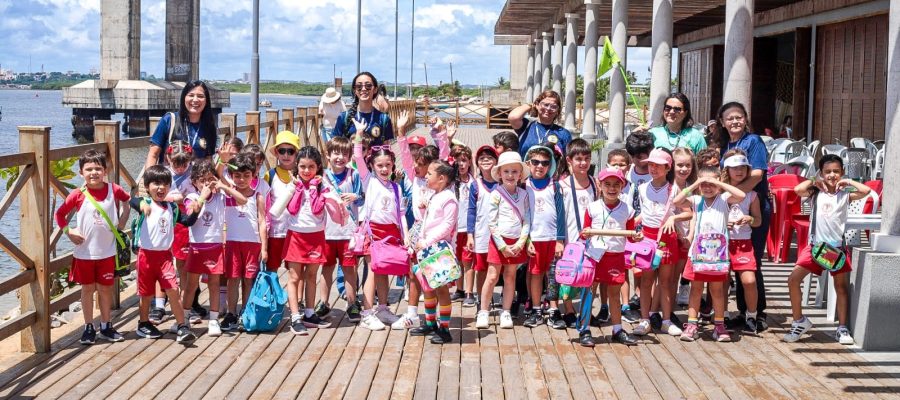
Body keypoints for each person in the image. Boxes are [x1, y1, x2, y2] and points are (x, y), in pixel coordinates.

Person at [784, 155, 871, 345]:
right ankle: (799, 321)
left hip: (836, 249)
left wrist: (847, 181)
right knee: (793, 280)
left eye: (836, 171)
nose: (832, 175)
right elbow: (798, 189)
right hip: (816, 247)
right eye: (828, 171)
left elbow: (866, 191)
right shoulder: (816, 191)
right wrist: (815, 180)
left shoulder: (845, 193)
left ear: (842, 172)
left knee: (840, 287)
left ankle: (842, 327)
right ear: (821, 173)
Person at [55, 150, 131, 345]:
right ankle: (89, 326)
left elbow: (127, 201)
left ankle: (106, 325)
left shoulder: (113, 189)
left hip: (107, 252)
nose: (94, 173)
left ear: (105, 171)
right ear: (81, 173)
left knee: (106, 290)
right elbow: (59, 215)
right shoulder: (78, 195)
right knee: (87, 289)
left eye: (98, 168)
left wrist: (123, 220)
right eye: (89, 169)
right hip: (84, 253)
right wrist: (69, 232)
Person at [672, 166, 746, 342]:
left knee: (717, 291)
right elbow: (677, 201)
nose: (708, 187)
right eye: (704, 184)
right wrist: (697, 182)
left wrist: (718, 182)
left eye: (711, 183)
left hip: (718, 256)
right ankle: (691, 324)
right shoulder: (697, 199)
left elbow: (741, 195)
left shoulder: (724, 198)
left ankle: (719, 325)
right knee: (696, 289)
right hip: (698, 254)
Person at [130, 165, 199, 343]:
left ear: (170, 187)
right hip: (145, 256)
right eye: (156, 184)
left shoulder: (172, 208)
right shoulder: (144, 203)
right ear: (147, 186)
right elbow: (133, 202)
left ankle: (182, 326)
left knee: (173, 290)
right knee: (145, 294)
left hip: (165, 257)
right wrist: (143, 203)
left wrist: (196, 212)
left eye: (165, 184)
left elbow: (187, 221)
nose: (160, 188)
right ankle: (143, 323)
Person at [717, 101, 770, 326]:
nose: (735, 121)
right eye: (730, 118)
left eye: (739, 117)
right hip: (729, 210)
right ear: (722, 122)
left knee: (751, 262)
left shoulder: (754, 141)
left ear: (746, 119)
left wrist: (734, 196)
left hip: (753, 205)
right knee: (731, 262)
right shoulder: (724, 144)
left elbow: (757, 174)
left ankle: (757, 313)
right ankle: (741, 311)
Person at [283, 146, 346, 335]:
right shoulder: (292, 185)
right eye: (302, 166)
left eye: (311, 166)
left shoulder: (322, 185)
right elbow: (291, 209)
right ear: (297, 166)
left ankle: (310, 313)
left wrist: (313, 188)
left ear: (318, 167)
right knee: (294, 277)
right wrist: (300, 188)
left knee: (311, 276)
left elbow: (319, 209)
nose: (306, 171)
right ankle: (295, 317)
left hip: (316, 235)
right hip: (296, 235)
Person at [180, 159, 247, 337]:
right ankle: (184, 319)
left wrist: (223, 187)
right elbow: (190, 211)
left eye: (210, 179)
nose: (207, 184)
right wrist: (203, 195)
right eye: (202, 180)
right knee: (191, 285)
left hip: (215, 247)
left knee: (214, 284)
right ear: (194, 182)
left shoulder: (220, 198)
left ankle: (213, 319)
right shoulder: (192, 197)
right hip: (196, 247)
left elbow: (242, 200)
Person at [393, 116, 448, 331]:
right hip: (417, 228)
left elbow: (444, 154)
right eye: (415, 163)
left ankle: (435, 320)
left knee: (433, 276)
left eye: (420, 165)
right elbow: (405, 155)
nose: (415, 166)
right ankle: (413, 314)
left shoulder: (438, 182)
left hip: (434, 232)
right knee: (413, 273)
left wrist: (441, 133)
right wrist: (400, 130)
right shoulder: (414, 177)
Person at [580, 167, 642, 346]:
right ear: (600, 185)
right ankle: (585, 329)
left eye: (616, 184)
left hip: (616, 256)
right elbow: (584, 233)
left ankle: (617, 329)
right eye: (607, 184)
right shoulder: (592, 208)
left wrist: (637, 236)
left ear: (622, 186)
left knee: (615, 294)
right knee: (589, 292)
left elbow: (631, 234)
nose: (612, 188)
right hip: (595, 256)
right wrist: (585, 233)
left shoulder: (628, 210)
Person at [353, 135, 406, 331]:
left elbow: (400, 214)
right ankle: (367, 313)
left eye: (388, 165)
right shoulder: (369, 181)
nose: (384, 169)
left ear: (393, 165)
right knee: (373, 271)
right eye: (380, 165)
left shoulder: (396, 187)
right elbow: (358, 156)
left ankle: (382, 308)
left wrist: (405, 235)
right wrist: (359, 135)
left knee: (384, 270)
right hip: (373, 231)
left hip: (391, 232)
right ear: (373, 166)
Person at [633, 148, 685, 337]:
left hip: (667, 238)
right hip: (647, 237)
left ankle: (666, 320)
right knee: (646, 281)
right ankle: (645, 319)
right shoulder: (641, 188)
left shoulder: (674, 189)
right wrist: (632, 225)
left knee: (666, 281)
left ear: (667, 167)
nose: (653, 168)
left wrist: (673, 220)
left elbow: (688, 211)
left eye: (658, 165)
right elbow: (643, 213)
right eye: (651, 165)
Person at [476, 151, 531, 329]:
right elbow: (491, 222)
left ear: (520, 175)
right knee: (492, 276)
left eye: (514, 171)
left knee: (510, 276)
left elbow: (527, 220)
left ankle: (505, 311)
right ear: (499, 174)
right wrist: (502, 246)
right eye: (506, 171)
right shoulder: (496, 194)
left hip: (516, 241)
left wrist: (520, 243)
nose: (510, 175)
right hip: (499, 241)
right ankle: (483, 311)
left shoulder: (524, 195)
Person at [409, 159, 460, 344]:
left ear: (442, 178)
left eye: (430, 174)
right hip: (427, 249)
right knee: (428, 287)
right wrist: (423, 210)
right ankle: (431, 323)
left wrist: (427, 241)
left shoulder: (449, 198)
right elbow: (431, 222)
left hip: (438, 251)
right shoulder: (435, 196)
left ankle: (445, 328)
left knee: (441, 288)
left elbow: (447, 225)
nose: (426, 176)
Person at [220, 154, 268, 332]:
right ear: (231, 176)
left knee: (248, 280)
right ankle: (231, 313)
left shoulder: (258, 195)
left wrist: (264, 247)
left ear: (253, 175)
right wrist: (222, 161)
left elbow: (262, 221)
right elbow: (218, 176)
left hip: (252, 243)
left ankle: (245, 311)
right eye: (237, 176)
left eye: (246, 175)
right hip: (233, 242)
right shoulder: (228, 193)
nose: (241, 180)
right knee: (233, 279)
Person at [319, 136, 364, 323]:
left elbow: (363, 197)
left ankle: (352, 303)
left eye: (345, 154)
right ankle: (323, 303)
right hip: (327, 231)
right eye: (336, 153)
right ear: (327, 155)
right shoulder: (321, 177)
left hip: (348, 232)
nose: (340, 158)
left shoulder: (353, 175)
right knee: (326, 268)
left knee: (349, 269)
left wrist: (355, 196)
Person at [555, 139, 598, 331]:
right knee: (568, 275)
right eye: (578, 159)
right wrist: (559, 239)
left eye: (586, 159)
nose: (583, 163)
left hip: (590, 238)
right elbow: (558, 215)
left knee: (588, 274)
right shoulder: (562, 185)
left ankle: (585, 310)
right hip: (570, 237)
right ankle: (569, 310)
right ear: (569, 160)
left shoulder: (595, 184)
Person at [522, 146, 564, 329]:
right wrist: (528, 240)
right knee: (536, 274)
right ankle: (537, 308)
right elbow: (522, 214)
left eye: (545, 163)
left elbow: (561, 213)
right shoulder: (524, 185)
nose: (540, 166)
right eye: (536, 162)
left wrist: (560, 239)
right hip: (534, 238)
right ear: (529, 163)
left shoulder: (555, 185)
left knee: (553, 275)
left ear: (550, 165)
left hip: (552, 238)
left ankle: (554, 309)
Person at [721, 150, 763, 333]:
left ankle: (751, 316)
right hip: (721, 243)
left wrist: (750, 219)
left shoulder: (752, 195)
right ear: (727, 170)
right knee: (721, 281)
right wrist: (724, 222)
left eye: (742, 168)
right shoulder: (719, 192)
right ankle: (720, 316)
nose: (738, 171)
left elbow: (758, 220)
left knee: (749, 281)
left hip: (743, 243)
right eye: (734, 168)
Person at [144, 80, 219, 169]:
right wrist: (149, 180)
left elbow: (208, 160)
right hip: (169, 180)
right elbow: (153, 154)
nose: (195, 100)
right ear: (184, 98)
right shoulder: (169, 120)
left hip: (195, 181)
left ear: (206, 101)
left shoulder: (209, 126)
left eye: (200, 96)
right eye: (191, 95)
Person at [466, 145, 499, 310]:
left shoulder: (503, 182)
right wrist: (470, 235)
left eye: (490, 157)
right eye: (481, 158)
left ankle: (493, 299)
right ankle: (481, 301)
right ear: (477, 164)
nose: (486, 160)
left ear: (496, 161)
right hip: (481, 233)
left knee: (498, 269)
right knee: (481, 269)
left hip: (501, 234)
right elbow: (471, 212)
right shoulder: (476, 184)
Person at [263, 131, 300, 272]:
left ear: (296, 154)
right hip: (275, 231)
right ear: (277, 153)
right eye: (282, 151)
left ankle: (294, 295)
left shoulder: (302, 174)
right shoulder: (269, 175)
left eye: (290, 151)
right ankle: (272, 293)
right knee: (271, 268)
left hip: (296, 230)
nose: (286, 155)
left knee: (295, 271)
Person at [333, 72, 396, 146]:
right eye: (359, 86)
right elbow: (335, 146)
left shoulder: (384, 119)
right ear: (355, 90)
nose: (363, 89)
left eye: (368, 85)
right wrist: (359, 135)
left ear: (375, 89)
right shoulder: (344, 117)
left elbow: (386, 148)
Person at [509, 90, 573, 156]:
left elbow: (568, 159)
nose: (548, 108)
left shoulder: (563, 133)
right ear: (537, 105)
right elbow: (513, 117)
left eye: (553, 106)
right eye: (545, 104)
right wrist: (531, 105)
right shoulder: (526, 126)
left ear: (557, 110)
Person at [672, 147, 698, 308]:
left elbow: (695, 213)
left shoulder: (694, 185)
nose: (684, 169)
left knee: (687, 270)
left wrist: (690, 236)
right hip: (674, 234)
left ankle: (684, 290)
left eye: (687, 165)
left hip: (690, 235)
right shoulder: (669, 186)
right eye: (680, 165)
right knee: (671, 275)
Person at [450, 144, 476, 305]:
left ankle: (469, 292)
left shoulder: (474, 181)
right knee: (457, 260)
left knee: (468, 261)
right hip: (454, 229)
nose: (461, 164)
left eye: (464, 161)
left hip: (468, 229)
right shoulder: (451, 182)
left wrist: (471, 156)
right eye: (458, 161)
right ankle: (459, 289)